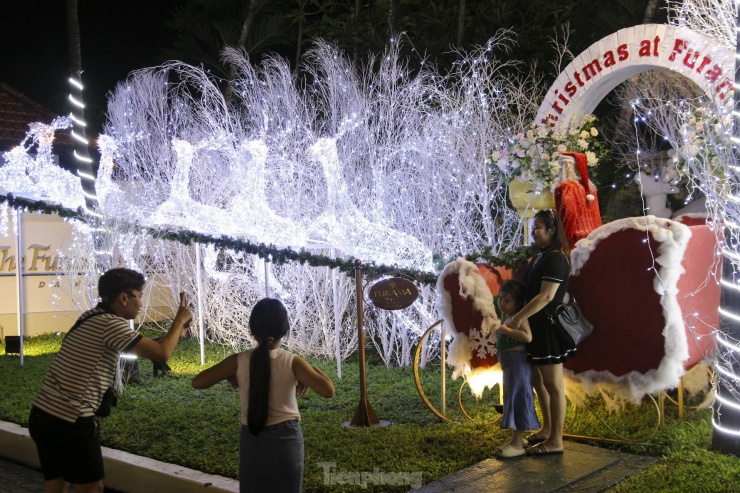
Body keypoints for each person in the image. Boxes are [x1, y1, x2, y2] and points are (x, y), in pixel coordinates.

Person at [28, 267, 193, 493]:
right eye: (140, 296)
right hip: (71, 419)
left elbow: (145, 347)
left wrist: (176, 332)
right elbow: (161, 353)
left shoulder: (92, 316)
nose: (142, 303)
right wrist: (179, 319)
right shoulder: (110, 324)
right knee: (92, 488)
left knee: (56, 484)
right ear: (124, 297)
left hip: (44, 414)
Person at [192, 298, 335, 493]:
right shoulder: (292, 362)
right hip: (286, 439)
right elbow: (328, 391)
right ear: (284, 329)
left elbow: (198, 382)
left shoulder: (239, 361)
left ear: (252, 329)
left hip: (252, 438)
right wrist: (315, 370)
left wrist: (228, 375)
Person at [506, 209, 574, 456]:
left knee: (554, 385)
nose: (534, 232)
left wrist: (518, 317)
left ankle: (556, 440)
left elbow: (546, 296)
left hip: (546, 326)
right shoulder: (542, 256)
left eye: (538, 228)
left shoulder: (555, 258)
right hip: (535, 326)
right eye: (533, 228)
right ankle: (546, 430)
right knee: (539, 381)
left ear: (552, 230)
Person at [494, 280, 540, 459]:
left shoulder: (518, 317)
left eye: (507, 301)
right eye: (501, 299)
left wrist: (506, 331)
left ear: (518, 304)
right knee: (512, 397)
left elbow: (527, 337)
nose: (502, 304)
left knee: (518, 397)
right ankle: (518, 440)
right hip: (509, 364)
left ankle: (517, 441)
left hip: (518, 363)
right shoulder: (507, 315)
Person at [554, 152, 602, 248]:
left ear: (566, 166)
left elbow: (567, 216)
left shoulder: (566, 187)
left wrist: (560, 242)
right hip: (596, 239)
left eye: (561, 166)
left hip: (576, 242)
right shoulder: (590, 189)